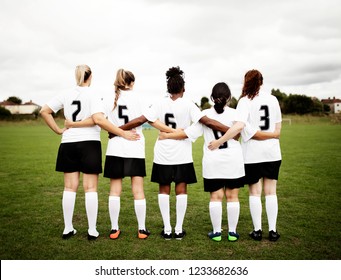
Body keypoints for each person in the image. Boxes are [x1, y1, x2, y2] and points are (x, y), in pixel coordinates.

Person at [159, 82, 280, 242]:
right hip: (233, 160)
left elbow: (188, 133)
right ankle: (232, 233)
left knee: (216, 197)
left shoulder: (204, 114)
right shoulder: (237, 114)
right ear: (229, 98)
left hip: (212, 161)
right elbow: (244, 133)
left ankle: (216, 233)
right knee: (232, 196)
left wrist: (168, 134)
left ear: (212, 98)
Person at [40, 65, 138, 240]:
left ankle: (68, 228)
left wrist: (59, 130)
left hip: (68, 143)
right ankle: (92, 230)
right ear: (90, 76)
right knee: (90, 188)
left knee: (69, 188)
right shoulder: (94, 94)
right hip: (89, 144)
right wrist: (122, 132)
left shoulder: (65, 93)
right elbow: (97, 120)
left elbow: (44, 111)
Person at [208, 69, 282, 242]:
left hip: (252, 154)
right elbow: (277, 131)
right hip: (273, 152)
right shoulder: (273, 99)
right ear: (261, 82)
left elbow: (240, 128)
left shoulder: (244, 101)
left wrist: (219, 141)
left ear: (246, 82)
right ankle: (272, 231)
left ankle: (257, 231)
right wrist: (271, 136)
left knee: (255, 193)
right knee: (271, 192)